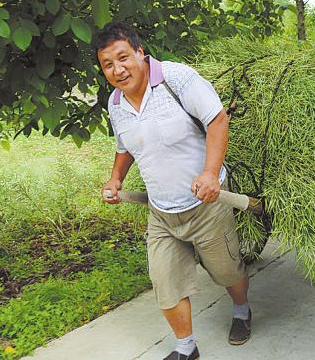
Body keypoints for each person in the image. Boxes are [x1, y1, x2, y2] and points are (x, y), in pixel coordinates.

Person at [94, 22, 251, 360]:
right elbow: (125, 146)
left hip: (207, 204)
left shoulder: (176, 79)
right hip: (162, 213)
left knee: (227, 272)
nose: (117, 70)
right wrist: (115, 179)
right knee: (165, 282)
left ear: (140, 52)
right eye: (107, 64)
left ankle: (241, 310)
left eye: (123, 58)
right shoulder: (116, 103)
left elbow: (217, 120)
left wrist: (210, 173)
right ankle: (186, 347)